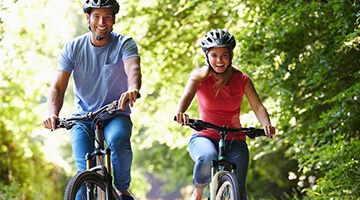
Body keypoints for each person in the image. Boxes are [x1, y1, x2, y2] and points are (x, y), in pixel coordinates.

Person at [43, 0, 141, 199]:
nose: (102, 21)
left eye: (107, 16)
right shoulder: (72, 48)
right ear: (88, 18)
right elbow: (58, 87)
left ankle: (122, 189)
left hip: (115, 113)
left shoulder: (124, 43)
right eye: (97, 16)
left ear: (113, 20)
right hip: (83, 117)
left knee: (119, 139)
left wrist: (133, 89)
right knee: (82, 177)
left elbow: (133, 68)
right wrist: (53, 113)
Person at [175, 29, 276, 200]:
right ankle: (198, 191)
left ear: (231, 56)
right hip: (204, 135)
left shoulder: (242, 80)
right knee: (208, 157)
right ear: (207, 57)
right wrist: (180, 112)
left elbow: (257, 107)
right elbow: (186, 97)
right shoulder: (199, 78)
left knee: (240, 192)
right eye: (214, 55)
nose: (219, 60)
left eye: (224, 55)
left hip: (234, 137)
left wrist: (266, 123)